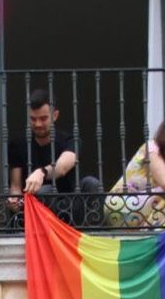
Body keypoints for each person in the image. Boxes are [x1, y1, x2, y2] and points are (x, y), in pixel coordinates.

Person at [5, 89, 102, 225]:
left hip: (72, 210)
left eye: (43, 118)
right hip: (40, 212)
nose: (38, 124)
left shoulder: (70, 140)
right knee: (45, 191)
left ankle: (87, 232)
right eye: (33, 119)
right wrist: (14, 200)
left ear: (55, 116)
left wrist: (42, 172)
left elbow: (62, 167)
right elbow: (16, 185)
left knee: (91, 183)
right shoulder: (18, 145)